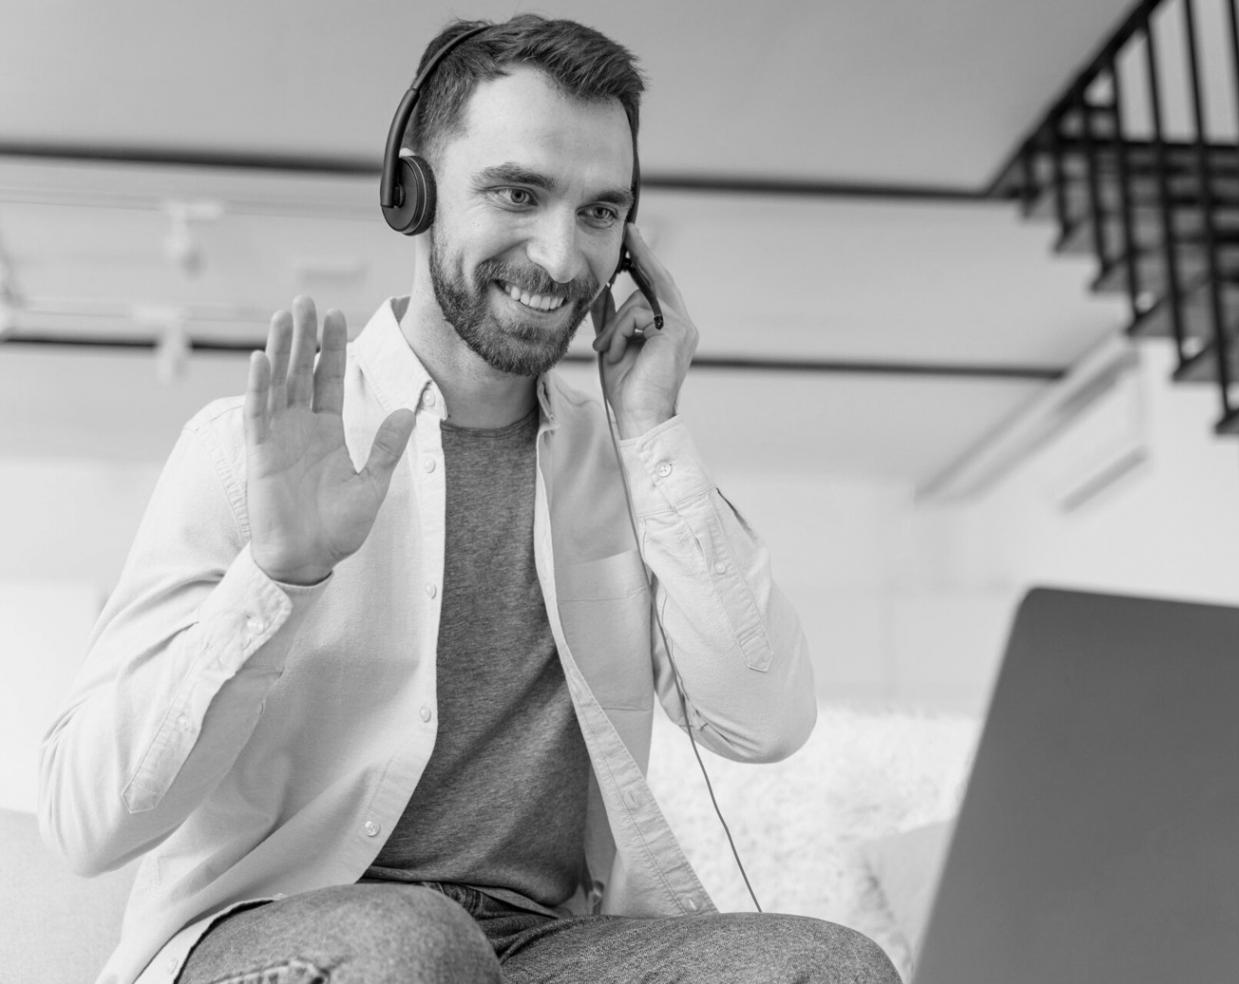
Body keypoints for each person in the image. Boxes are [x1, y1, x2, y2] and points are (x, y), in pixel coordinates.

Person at [38, 14, 900, 984]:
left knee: (826, 966)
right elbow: (84, 819)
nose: (563, 258)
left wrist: (652, 432)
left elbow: (765, 720)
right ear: (413, 190)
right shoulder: (248, 451)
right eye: (517, 193)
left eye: (598, 212)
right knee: (413, 944)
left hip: (539, 949)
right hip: (281, 931)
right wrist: (279, 578)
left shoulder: (621, 471)